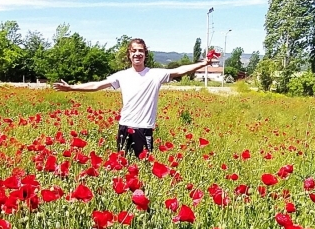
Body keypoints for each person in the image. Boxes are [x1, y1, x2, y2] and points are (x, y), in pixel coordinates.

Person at [53, 38, 214, 158]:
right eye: (134, 51)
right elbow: (97, 85)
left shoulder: (156, 74)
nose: (137, 54)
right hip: (124, 127)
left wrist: (203, 63)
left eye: (141, 51)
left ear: (145, 54)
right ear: (129, 55)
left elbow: (180, 70)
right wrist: (71, 87)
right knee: (122, 167)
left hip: (144, 129)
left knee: (144, 168)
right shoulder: (121, 76)